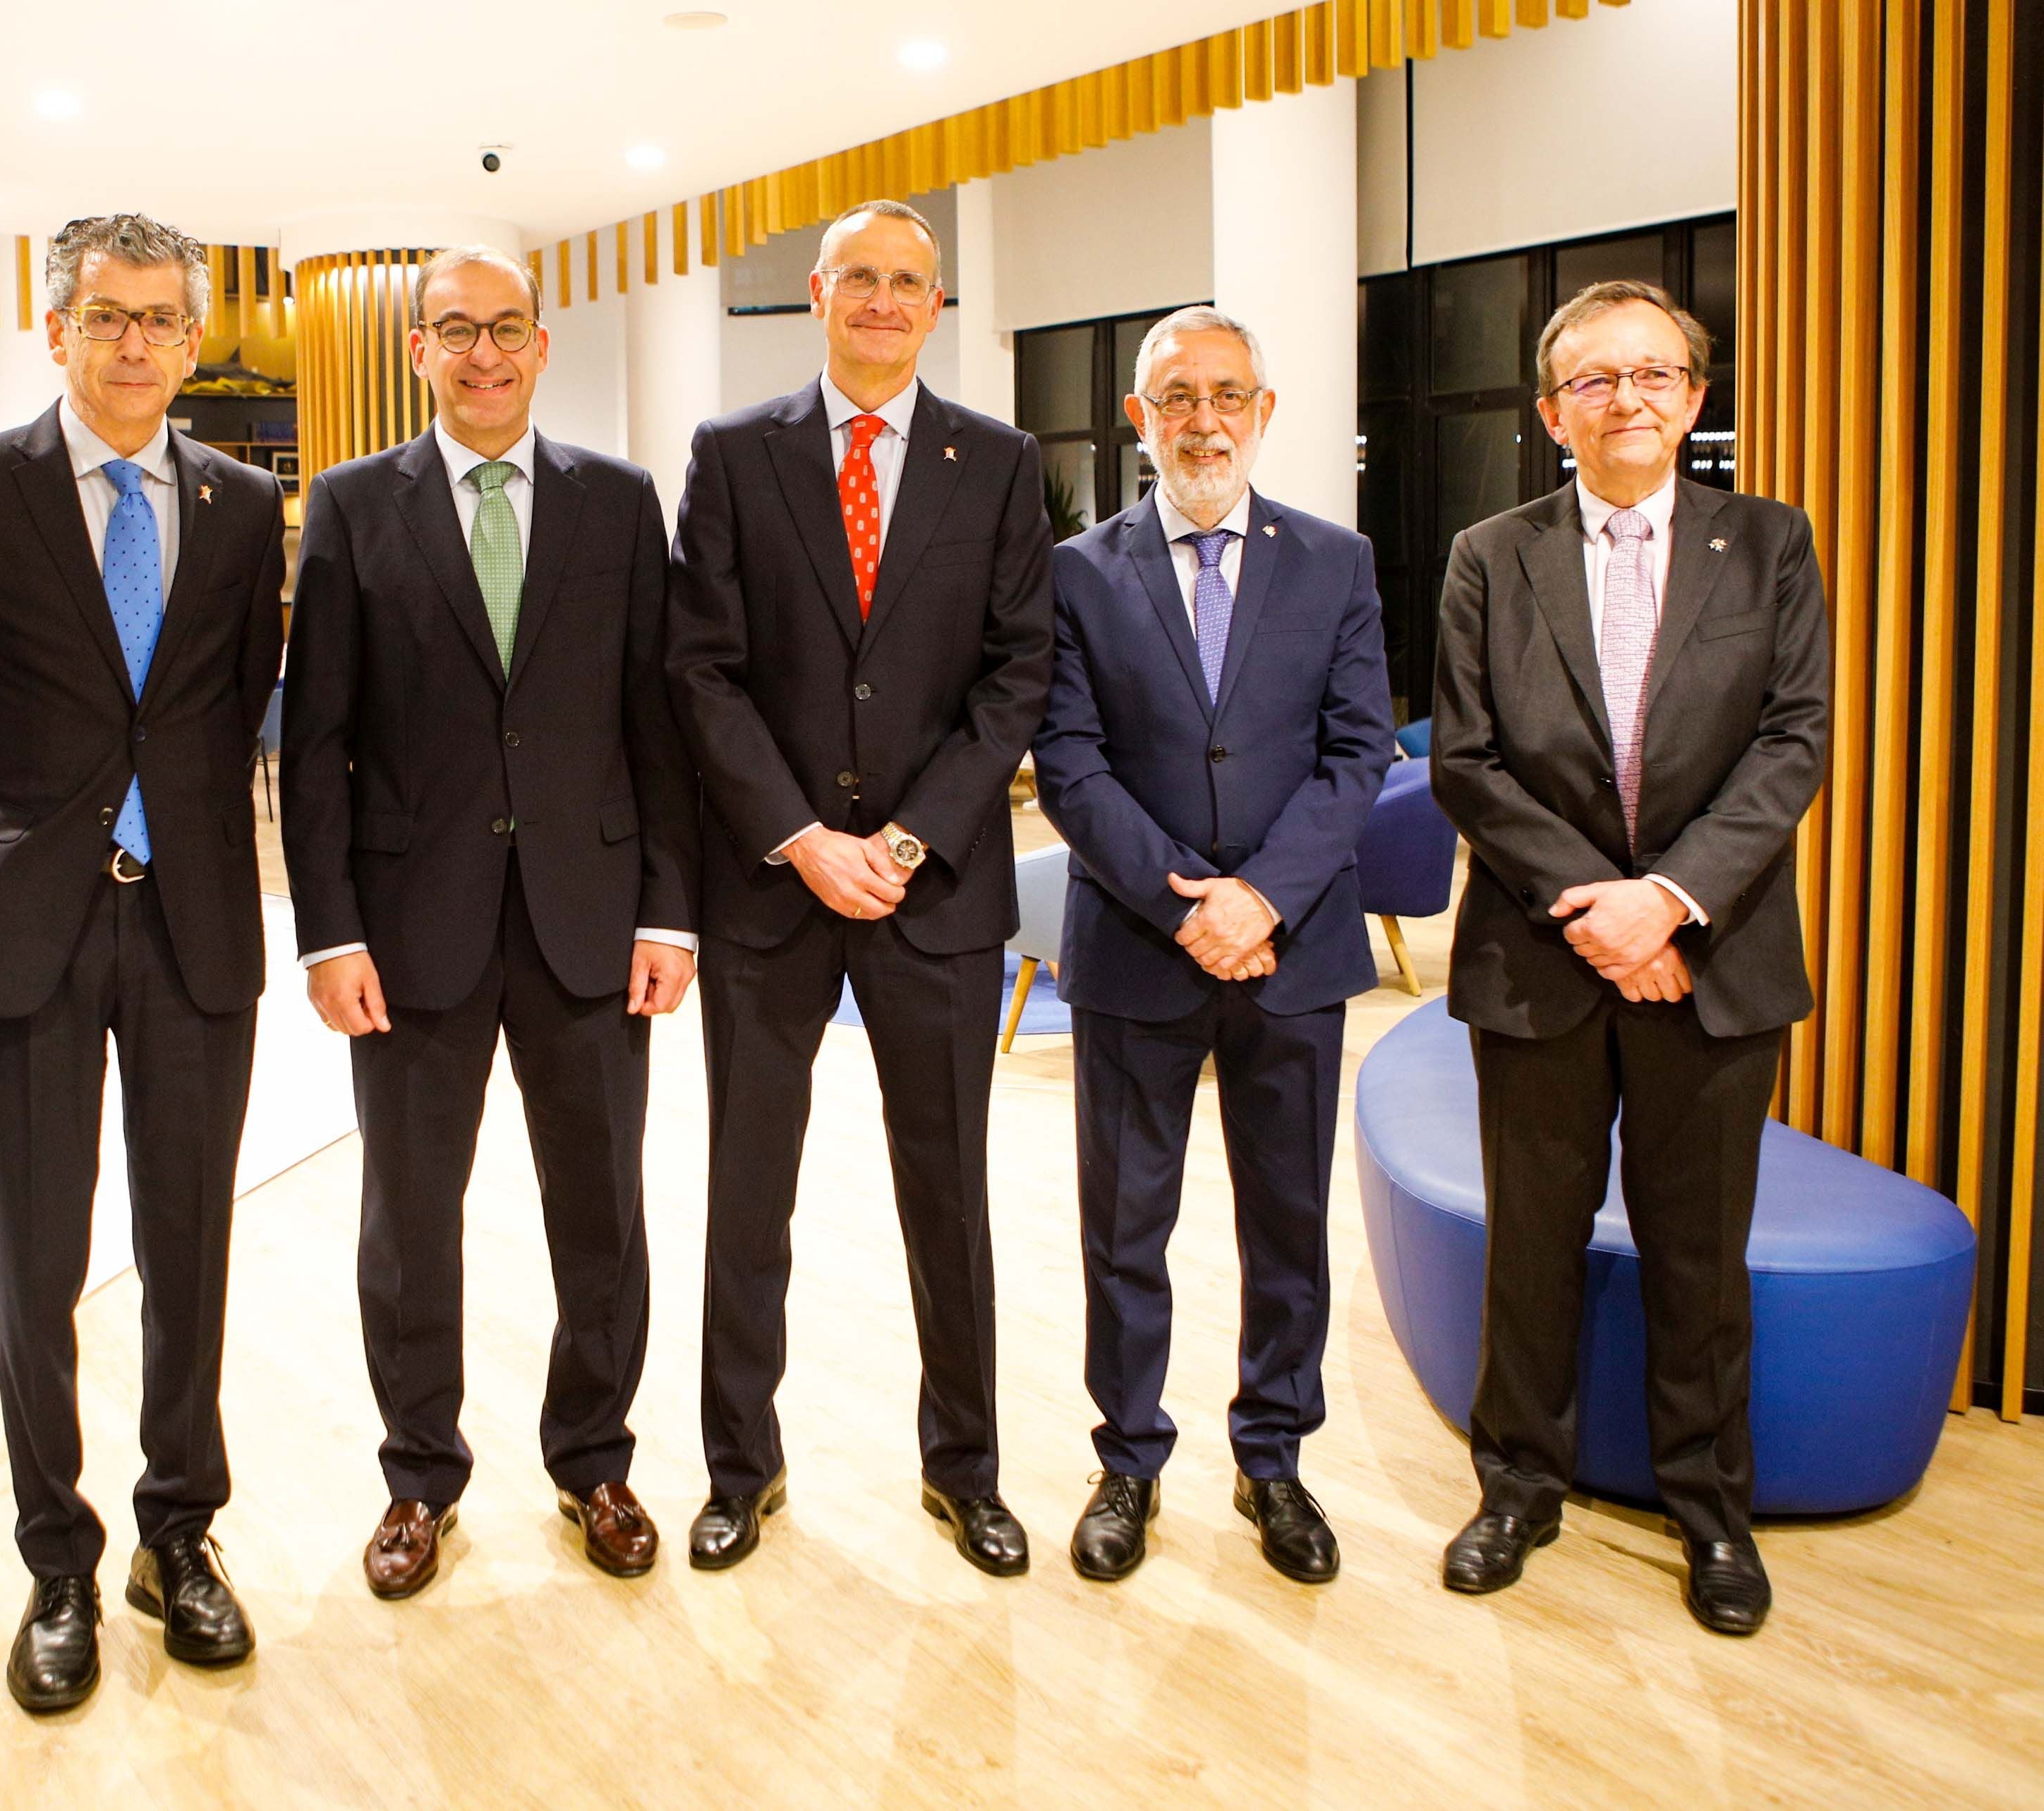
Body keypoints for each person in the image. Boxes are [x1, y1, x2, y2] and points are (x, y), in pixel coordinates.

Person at [0, 214, 285, 1712]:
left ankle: (178, 1536)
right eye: (106, 316)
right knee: (36, 1257)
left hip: (194, 926)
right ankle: (56, 1559)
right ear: (57, 330)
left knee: (189, 1246)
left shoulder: (243, 506)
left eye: (161, 319)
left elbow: (235, 703)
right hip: (28, 932)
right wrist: (27, 837)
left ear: (192, 342)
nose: (133, 344)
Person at [282, 246, 699, 1597]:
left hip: (591, 920)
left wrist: (670, 914)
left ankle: (595, 1461)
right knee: (410, 1219)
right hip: (412, 932)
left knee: (603, 1213)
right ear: (418, 351)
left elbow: (657, 724)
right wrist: (330, 932)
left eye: (506, 328)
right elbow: (317, 740)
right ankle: (419, 1479)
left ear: (540, 344)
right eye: (455, 330)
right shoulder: (353, 505)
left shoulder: (618, 501)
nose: (483, 353)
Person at [1429, 279, 1830, 1636]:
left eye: (1653, 374)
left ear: (1694, 397)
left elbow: (1792, 742)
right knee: (1529, 1245)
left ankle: (1709, 1509)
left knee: (1699, 1257)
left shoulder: (1768, 544)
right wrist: (1597, 910)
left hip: (1711, 962)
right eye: (1594, 380)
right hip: (1541, 962)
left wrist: (1664, 902)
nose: (1626, 399)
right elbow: (1467, 761)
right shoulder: (1490, 555)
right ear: (1554, 413)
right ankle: (1516, 1487)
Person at [665, 199, 1053, 1575]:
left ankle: (967, 1471)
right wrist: (799, 835)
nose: (884, 300)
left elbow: (1017, 671)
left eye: (909, 282)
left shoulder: (997, 462)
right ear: (818, 293)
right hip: (770, 891)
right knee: (746, 1194)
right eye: (861, 278)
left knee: (948, 1197)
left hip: (931, 895)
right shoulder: (734, 454)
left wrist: (903, 841)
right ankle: (740, 1469)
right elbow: (700, 668)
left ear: (935, 307)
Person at [1032, 307, 1392, 1586]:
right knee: (1124, 1225)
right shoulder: (1077, 572)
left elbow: (1359, 749)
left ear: (1263, 411)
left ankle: (1273, 1460)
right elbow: (1067, 761)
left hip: (1291, 954)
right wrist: (1185, 905)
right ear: (1140, 418)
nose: (1202, 420)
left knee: (1286, 1223)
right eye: (1176, 397)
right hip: (1139, 948)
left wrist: (1260, 900)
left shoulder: (1335, 561)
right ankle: (1127, 1457)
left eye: (1226, 394)